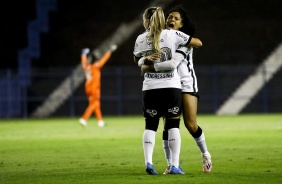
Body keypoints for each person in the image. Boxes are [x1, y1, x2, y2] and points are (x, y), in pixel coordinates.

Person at [139, 4, 212, 173]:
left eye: (176, 18)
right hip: (169, 85)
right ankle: (171, 164)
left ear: (181, 25)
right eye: (169, 17)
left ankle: (205, 153)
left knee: (190, 124)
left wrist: (148, 66)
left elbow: (173, 64)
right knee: (169, 124)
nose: (171, 20)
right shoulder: (162, 38)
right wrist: (145, 60)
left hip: (185, 84)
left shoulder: (182, 40)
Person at [79, 45, 117, 127]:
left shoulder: (87, 66)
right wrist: (109, 51)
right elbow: (104, 60)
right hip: (94, 88)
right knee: (94, 104)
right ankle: (84, 118)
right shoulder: (96, 66)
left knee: (96, 104)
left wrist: (83, 54)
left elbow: (83, 62)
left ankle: (100, 121)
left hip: (87, 88)